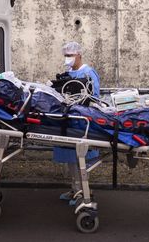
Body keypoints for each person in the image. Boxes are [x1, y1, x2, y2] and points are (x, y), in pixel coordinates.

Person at [53, 41, 100, 205]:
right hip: (68, 120)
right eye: (66, 55)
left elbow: (94, 98)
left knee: (81, 159)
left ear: (79, 55)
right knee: (71, 160)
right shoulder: (68, 73)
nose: (67, 58)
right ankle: (75, 189)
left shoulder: (88, 73)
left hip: (81, 121)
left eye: (70, 55)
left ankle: (83, 191)